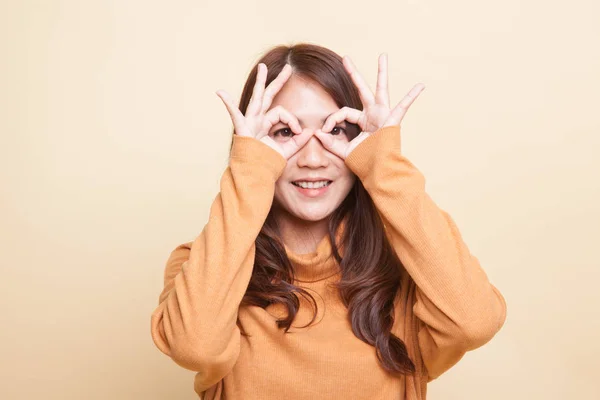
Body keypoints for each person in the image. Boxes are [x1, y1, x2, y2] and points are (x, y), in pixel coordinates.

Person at [150, 43, 507, 400]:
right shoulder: (199, 268)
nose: (313, 158)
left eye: (335, 130)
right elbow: (194, 346)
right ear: (252, 147)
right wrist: (250, 173)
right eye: (285, 132)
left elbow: (474, 322)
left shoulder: (410, 276)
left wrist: (382, 165)